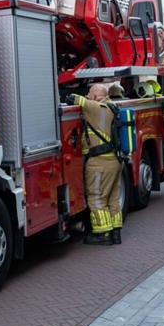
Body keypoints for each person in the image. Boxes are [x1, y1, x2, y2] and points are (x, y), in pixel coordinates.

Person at [66, 84, 122, 246]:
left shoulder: (95, 107)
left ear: (97, 95)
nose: (88, 95)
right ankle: (115, 233)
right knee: (112, 198)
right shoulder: (113, 107)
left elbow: (73, 98)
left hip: (99, 162)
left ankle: (103, 234)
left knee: (97, 198)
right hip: (114, 161)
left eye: (90, 92)